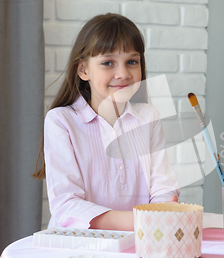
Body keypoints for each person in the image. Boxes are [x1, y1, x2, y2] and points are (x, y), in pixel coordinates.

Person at [33, 13, 180, 231]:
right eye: (108, 63)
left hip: (139, 244)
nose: (123, 73)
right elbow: (66, 205)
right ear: (83, 70)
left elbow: (163, 189)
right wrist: (145, 221)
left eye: (132, 62)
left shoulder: (149, 116)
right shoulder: (61, 121)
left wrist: (159, 216)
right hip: (77, 248)